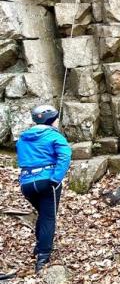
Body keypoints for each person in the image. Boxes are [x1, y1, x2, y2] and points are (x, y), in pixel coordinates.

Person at [16, 105, 72, 273]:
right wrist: (56, 178)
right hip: (46, 181)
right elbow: (66, 154)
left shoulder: (23, 138)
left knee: (44, 214)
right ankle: (43, 257)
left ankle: (39, 247)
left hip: (27, 184)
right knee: (49, 217)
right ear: (52, 120)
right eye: (56, 119)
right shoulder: (54, 136)